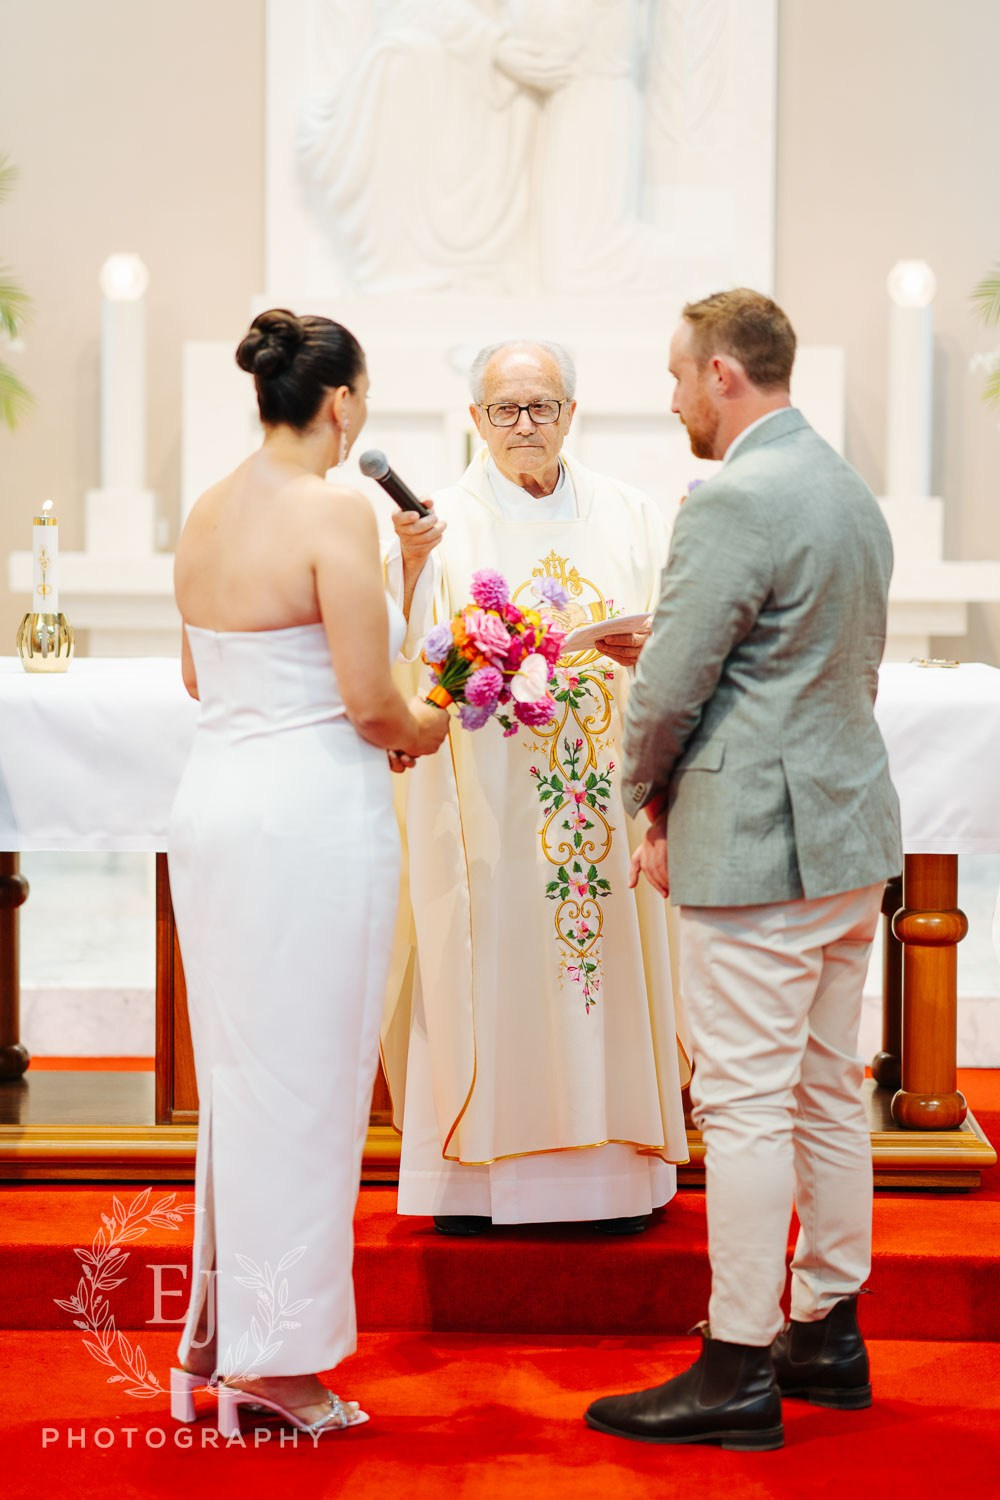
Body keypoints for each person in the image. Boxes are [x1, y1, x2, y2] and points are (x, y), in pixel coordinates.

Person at [585, 289, 902, 1450]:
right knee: (824, 1093)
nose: (673, 398)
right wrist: (673, 642)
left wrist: (643, 798)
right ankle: (823, 1331)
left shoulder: (733, 498)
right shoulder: (842, 486)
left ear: (723, 373)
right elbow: (813, 655)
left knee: (745, 1104)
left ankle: (732, 1365)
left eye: (677, 377)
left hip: (759, 844)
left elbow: (671, 694)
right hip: (844, 834)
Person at [167, 308, 448, 1438]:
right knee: (308, 1090)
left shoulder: (207, 508)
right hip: (308, 823)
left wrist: (402, 583)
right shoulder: (332, 510)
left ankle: (217, 1339)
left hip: (218, 810)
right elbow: (373, 705)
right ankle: (278, 1369)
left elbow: (204, 677)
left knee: (246, 1084)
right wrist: (434, 724)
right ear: (340, 402)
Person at [383, 337, 690, 1236]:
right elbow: (403, 652)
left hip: (605, 803)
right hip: (488, 814)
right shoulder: (437, 523)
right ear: (475, 419)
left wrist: (648, 647)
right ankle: (478, 1188)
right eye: (506, 409)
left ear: (570, 413)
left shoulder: (630, 515)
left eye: (542, 406)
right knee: (493, 964)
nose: (525, 425)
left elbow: (683, 636)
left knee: (603, 970)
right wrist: (409, 567)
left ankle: (612, 1185)